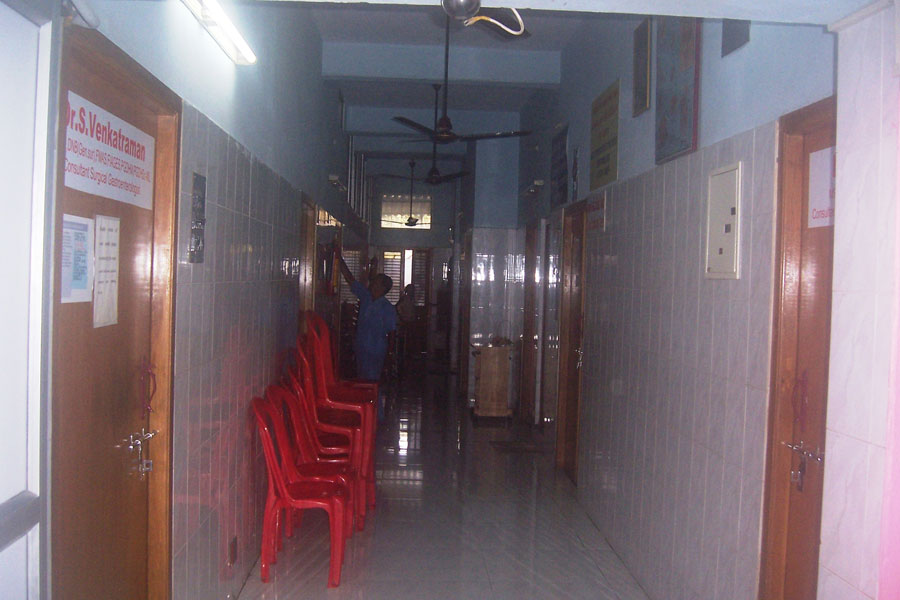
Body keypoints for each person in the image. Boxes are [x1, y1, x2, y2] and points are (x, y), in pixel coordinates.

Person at [337, 250, 397, 382]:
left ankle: (373, 402)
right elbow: (349, 278)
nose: (372, 283)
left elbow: (392, 333)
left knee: (372, 382)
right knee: (361, 380)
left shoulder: (388, 308)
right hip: (361, 347)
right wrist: (338, 258)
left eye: (375, 282)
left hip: (376, 351)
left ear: (382, 288)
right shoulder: (366, 297)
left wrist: (389, 355)